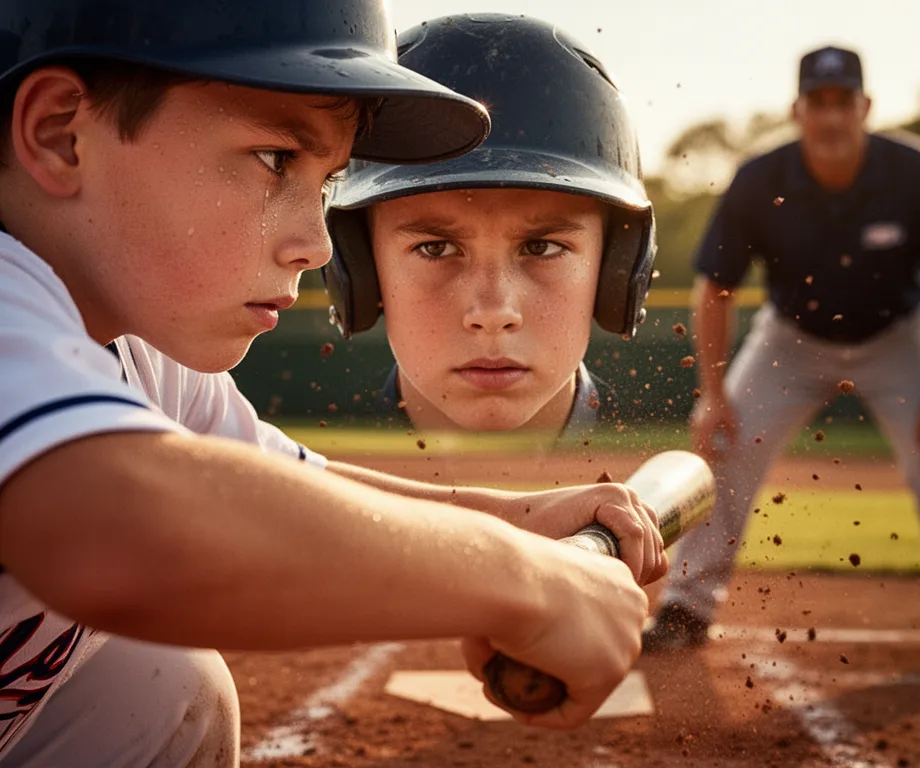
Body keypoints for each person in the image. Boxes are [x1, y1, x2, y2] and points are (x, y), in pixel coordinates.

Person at [0, 1, 671, 765]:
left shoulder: (139, 345)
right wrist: (523, 582)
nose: (316, 245)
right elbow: (117, 520)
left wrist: (520, 520)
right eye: (277, 159)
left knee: (152, 687)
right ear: (59, 133)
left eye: (326, 182)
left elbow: (275, 490)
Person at [644, 45, 920, 673]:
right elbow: (716, 287)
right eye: (817, 103)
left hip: (898, 333)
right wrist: (713, 394)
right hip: (792, 337)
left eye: (842, 101)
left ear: (864, 106)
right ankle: (685, 606)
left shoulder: (915, 174)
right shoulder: (762, 178)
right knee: (723, 442)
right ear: (797, 110)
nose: (830, 116)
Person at [322, 14, 655, 442]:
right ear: (358, 267)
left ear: (617, 269)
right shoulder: (279, 462)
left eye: (541, 247)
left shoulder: (677, 456)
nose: (494, 313)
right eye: (436, 248)